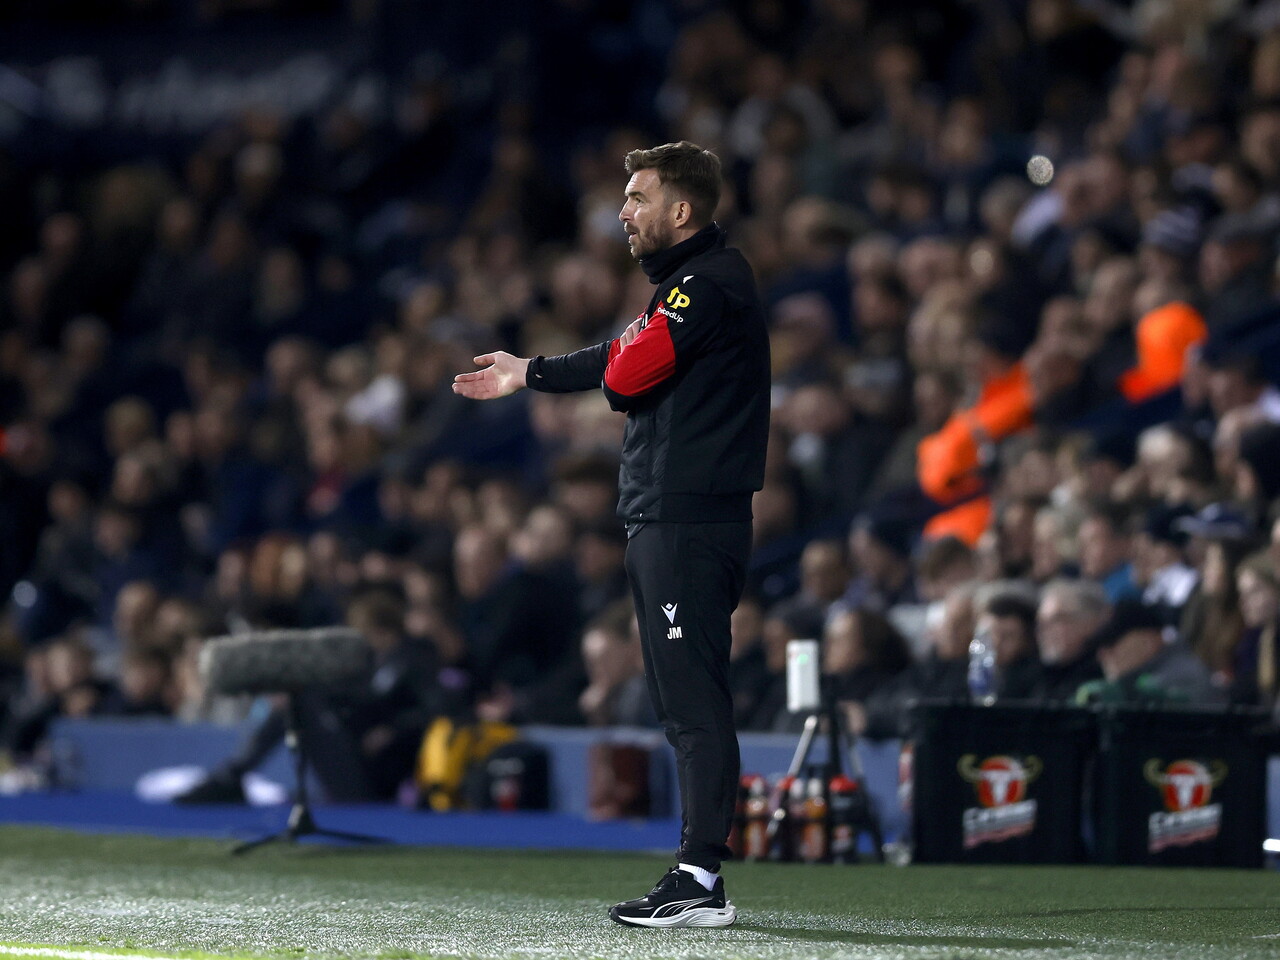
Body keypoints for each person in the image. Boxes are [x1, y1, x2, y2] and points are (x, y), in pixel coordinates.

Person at [453, 141, 768, 928]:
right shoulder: (681, 289)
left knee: (693, 699)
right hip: (668, 517)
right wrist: (529, 371)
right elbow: (615, 356)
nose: (622, 212)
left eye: (637, 197)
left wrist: (618, 358)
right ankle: (695, 870)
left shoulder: (707, 284)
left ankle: (700, 876)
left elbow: (624, 378)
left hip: (689, 519)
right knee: (680, 698)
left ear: (681, 210)